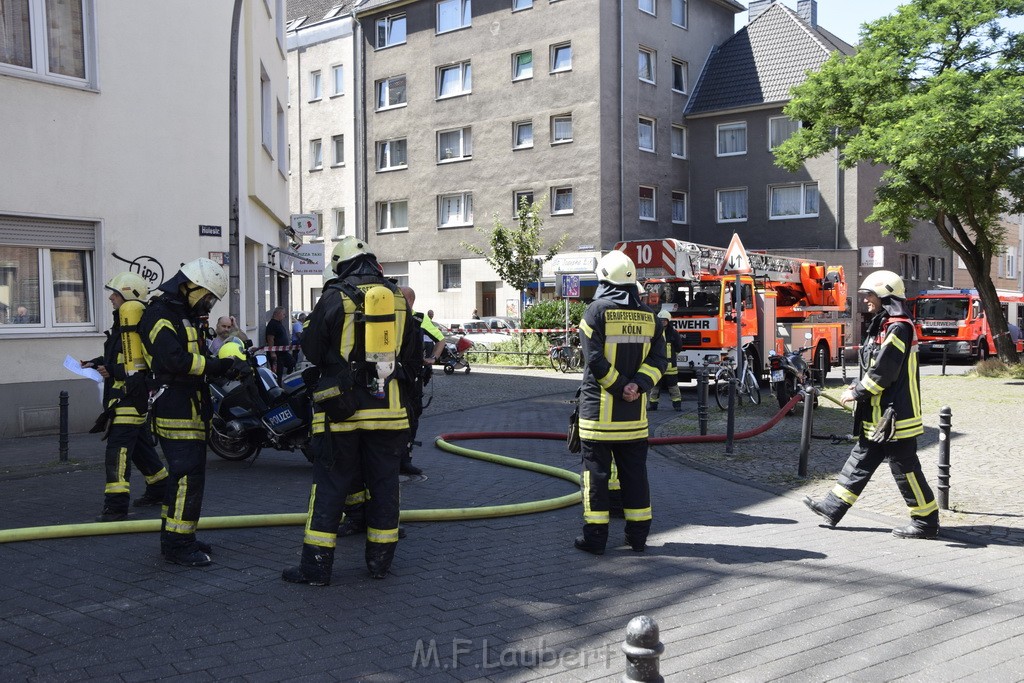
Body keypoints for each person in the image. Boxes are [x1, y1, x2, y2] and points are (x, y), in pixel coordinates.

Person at [282, 236, 420, 586]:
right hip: (389, 411)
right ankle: (379, 564)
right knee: (385, 486)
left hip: (341, 413)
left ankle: (315, 569)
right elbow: (412, 354)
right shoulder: (399, 300)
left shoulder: (333, 296)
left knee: (330, 485)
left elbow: (312, 350)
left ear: (342, 265)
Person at [803, 270, 940, 540]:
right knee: (861, 458)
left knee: (905, 468)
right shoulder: (883, 324)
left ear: (885, 296)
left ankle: (926, 521)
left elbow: (886, 369)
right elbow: (871, 364)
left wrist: (859, 392)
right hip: (880, 415)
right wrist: (856, 385)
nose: (865, 300)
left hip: (896, 416)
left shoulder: (898, 327)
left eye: (870, 295)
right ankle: (833, 507)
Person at [139, 258, 249, 567]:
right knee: (187, 478)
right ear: (190, 287)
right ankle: (178, 545)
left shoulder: (182, 315)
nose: (210, 304)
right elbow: (175, 361)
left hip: (189, 406)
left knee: (187, 479)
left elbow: (195, 359)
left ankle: (178, 536)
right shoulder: (160, 315)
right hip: (175, 408)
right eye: (208, 296)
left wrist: (223, 368)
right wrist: (222, 366)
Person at [574, 250, 666, 555]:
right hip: (634, 419)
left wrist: (618, 386)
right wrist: (637, 387)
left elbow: (595, 361)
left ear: (603, 279)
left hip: (598, 418)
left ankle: (595, 540)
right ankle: (637, 537)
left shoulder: (595, 312)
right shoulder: (650, 316)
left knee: (596, 480)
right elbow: (659, 360)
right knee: (635, 477)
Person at [83, 272, 168, 522]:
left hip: (129, 400)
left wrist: (113, 370)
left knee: (117, 452)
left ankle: (116, 506)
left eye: (115, 293)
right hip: (125, 398)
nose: (110, 297)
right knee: (140, 448)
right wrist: (94, 363)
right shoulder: (123, 326)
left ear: (128, 296)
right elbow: (119, 358)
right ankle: (159, 488)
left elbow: (144, 366)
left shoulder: (137, 326)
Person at [648, 309, 683, 412]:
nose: (662, 322)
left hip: (670, 366)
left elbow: (679, 347)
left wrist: (672, 357)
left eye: (664, 320)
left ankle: (677, 405)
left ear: (668, 321)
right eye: (661, 320)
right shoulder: (655, 332)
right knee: (655, 387)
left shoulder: (673, 333)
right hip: (657, 365)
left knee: (673, 387)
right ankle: (653, 405)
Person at [264, 306, 294, 381]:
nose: (284, 316)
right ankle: (278, 388)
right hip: (277, 354)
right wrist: (272, 353)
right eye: (283, 314)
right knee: (278, 374)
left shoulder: (279, 323)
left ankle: (287, 375)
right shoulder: (272, 324)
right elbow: (270, 339)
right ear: (278, 314)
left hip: (283, 352)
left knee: (292, 362)